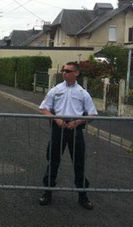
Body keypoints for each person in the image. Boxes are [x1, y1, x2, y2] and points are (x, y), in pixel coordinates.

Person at [38, 62, 98, 210]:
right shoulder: (55, 90)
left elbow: (92, 114)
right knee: (53, 161)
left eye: (68, 71)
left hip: (75, 130)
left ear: (76, 73)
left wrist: (78, 122)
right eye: (64, 70)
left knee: (79, 164)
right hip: (58, 129)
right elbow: (44, 108)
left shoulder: (83, 93)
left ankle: (83, 196)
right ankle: (48, 192)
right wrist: (56, 119)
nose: (64, 73)